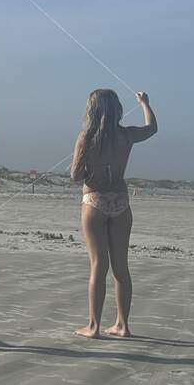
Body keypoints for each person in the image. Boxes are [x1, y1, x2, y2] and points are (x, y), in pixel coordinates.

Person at [70, 89, 157, 339]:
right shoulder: (126, 135)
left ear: (92, 110)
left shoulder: (86, 137)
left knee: (99, 265)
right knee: (121, 266)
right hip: (120, 202)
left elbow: (76, 176)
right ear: (117, 109)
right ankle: (123, 325)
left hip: (94, 201)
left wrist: (89, 168)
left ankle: (94, 326)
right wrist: (144, 104)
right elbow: (152, 128)